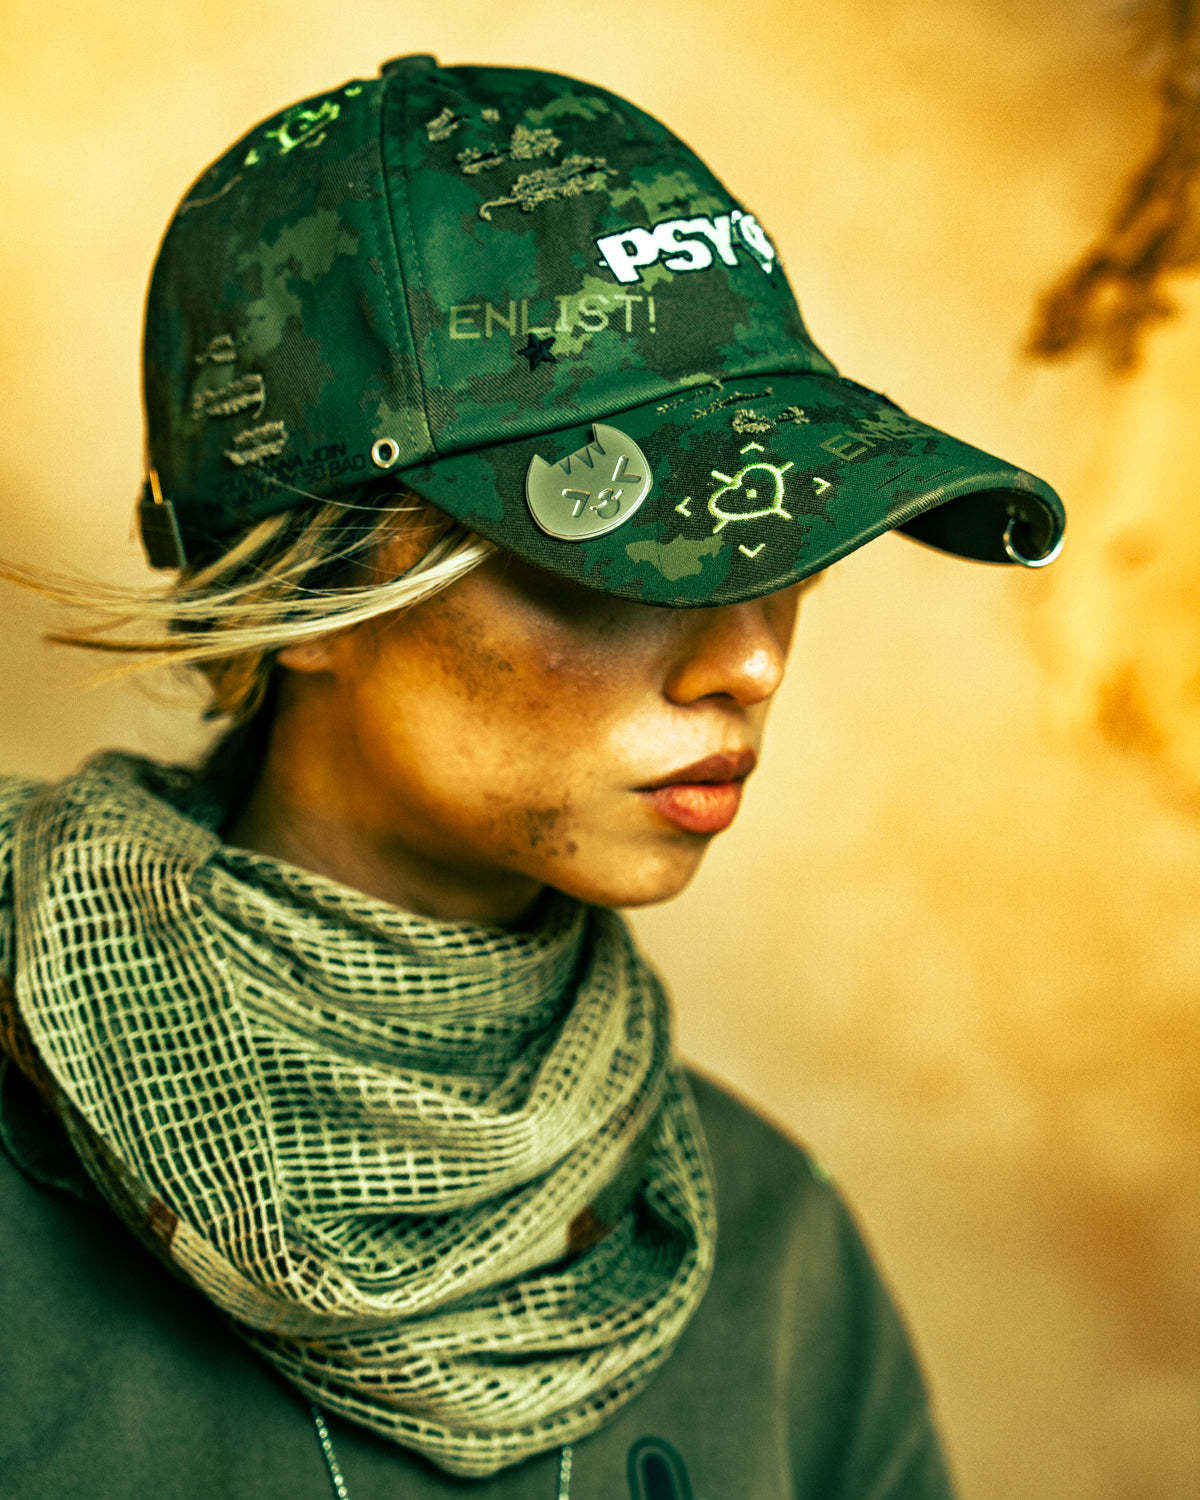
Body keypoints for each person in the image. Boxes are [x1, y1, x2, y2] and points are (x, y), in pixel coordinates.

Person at [0, 54, 1064, 1499]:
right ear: (308, 581)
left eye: (782, 541)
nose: (752, 661)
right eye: (633, 551)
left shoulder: (776, 1253)